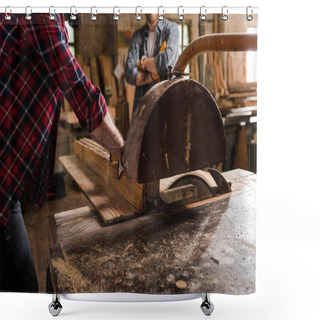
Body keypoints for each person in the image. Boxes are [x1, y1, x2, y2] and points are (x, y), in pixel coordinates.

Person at [0, 13, 124, 292]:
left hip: (8, 187)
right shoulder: (41, 13)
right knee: (22, 293)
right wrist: (126, 152)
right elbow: (81, 93)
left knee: (22, 285)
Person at [125, 14, 179, 116]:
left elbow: (167, 62)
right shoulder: (137, 36)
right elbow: (129, 73)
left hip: (165, 106)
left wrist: (144, 63)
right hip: (142, 111)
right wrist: (153, 75)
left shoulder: (172, 29)